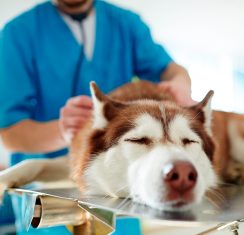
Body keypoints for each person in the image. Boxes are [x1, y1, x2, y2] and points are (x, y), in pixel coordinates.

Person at [0, 0, 194, 234]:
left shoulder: (126, 24)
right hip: (49, 192)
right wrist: (63, 132)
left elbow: (172, 70)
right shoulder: (18, 34)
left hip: (118, 189)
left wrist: (179, 85)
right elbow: (10, 134)